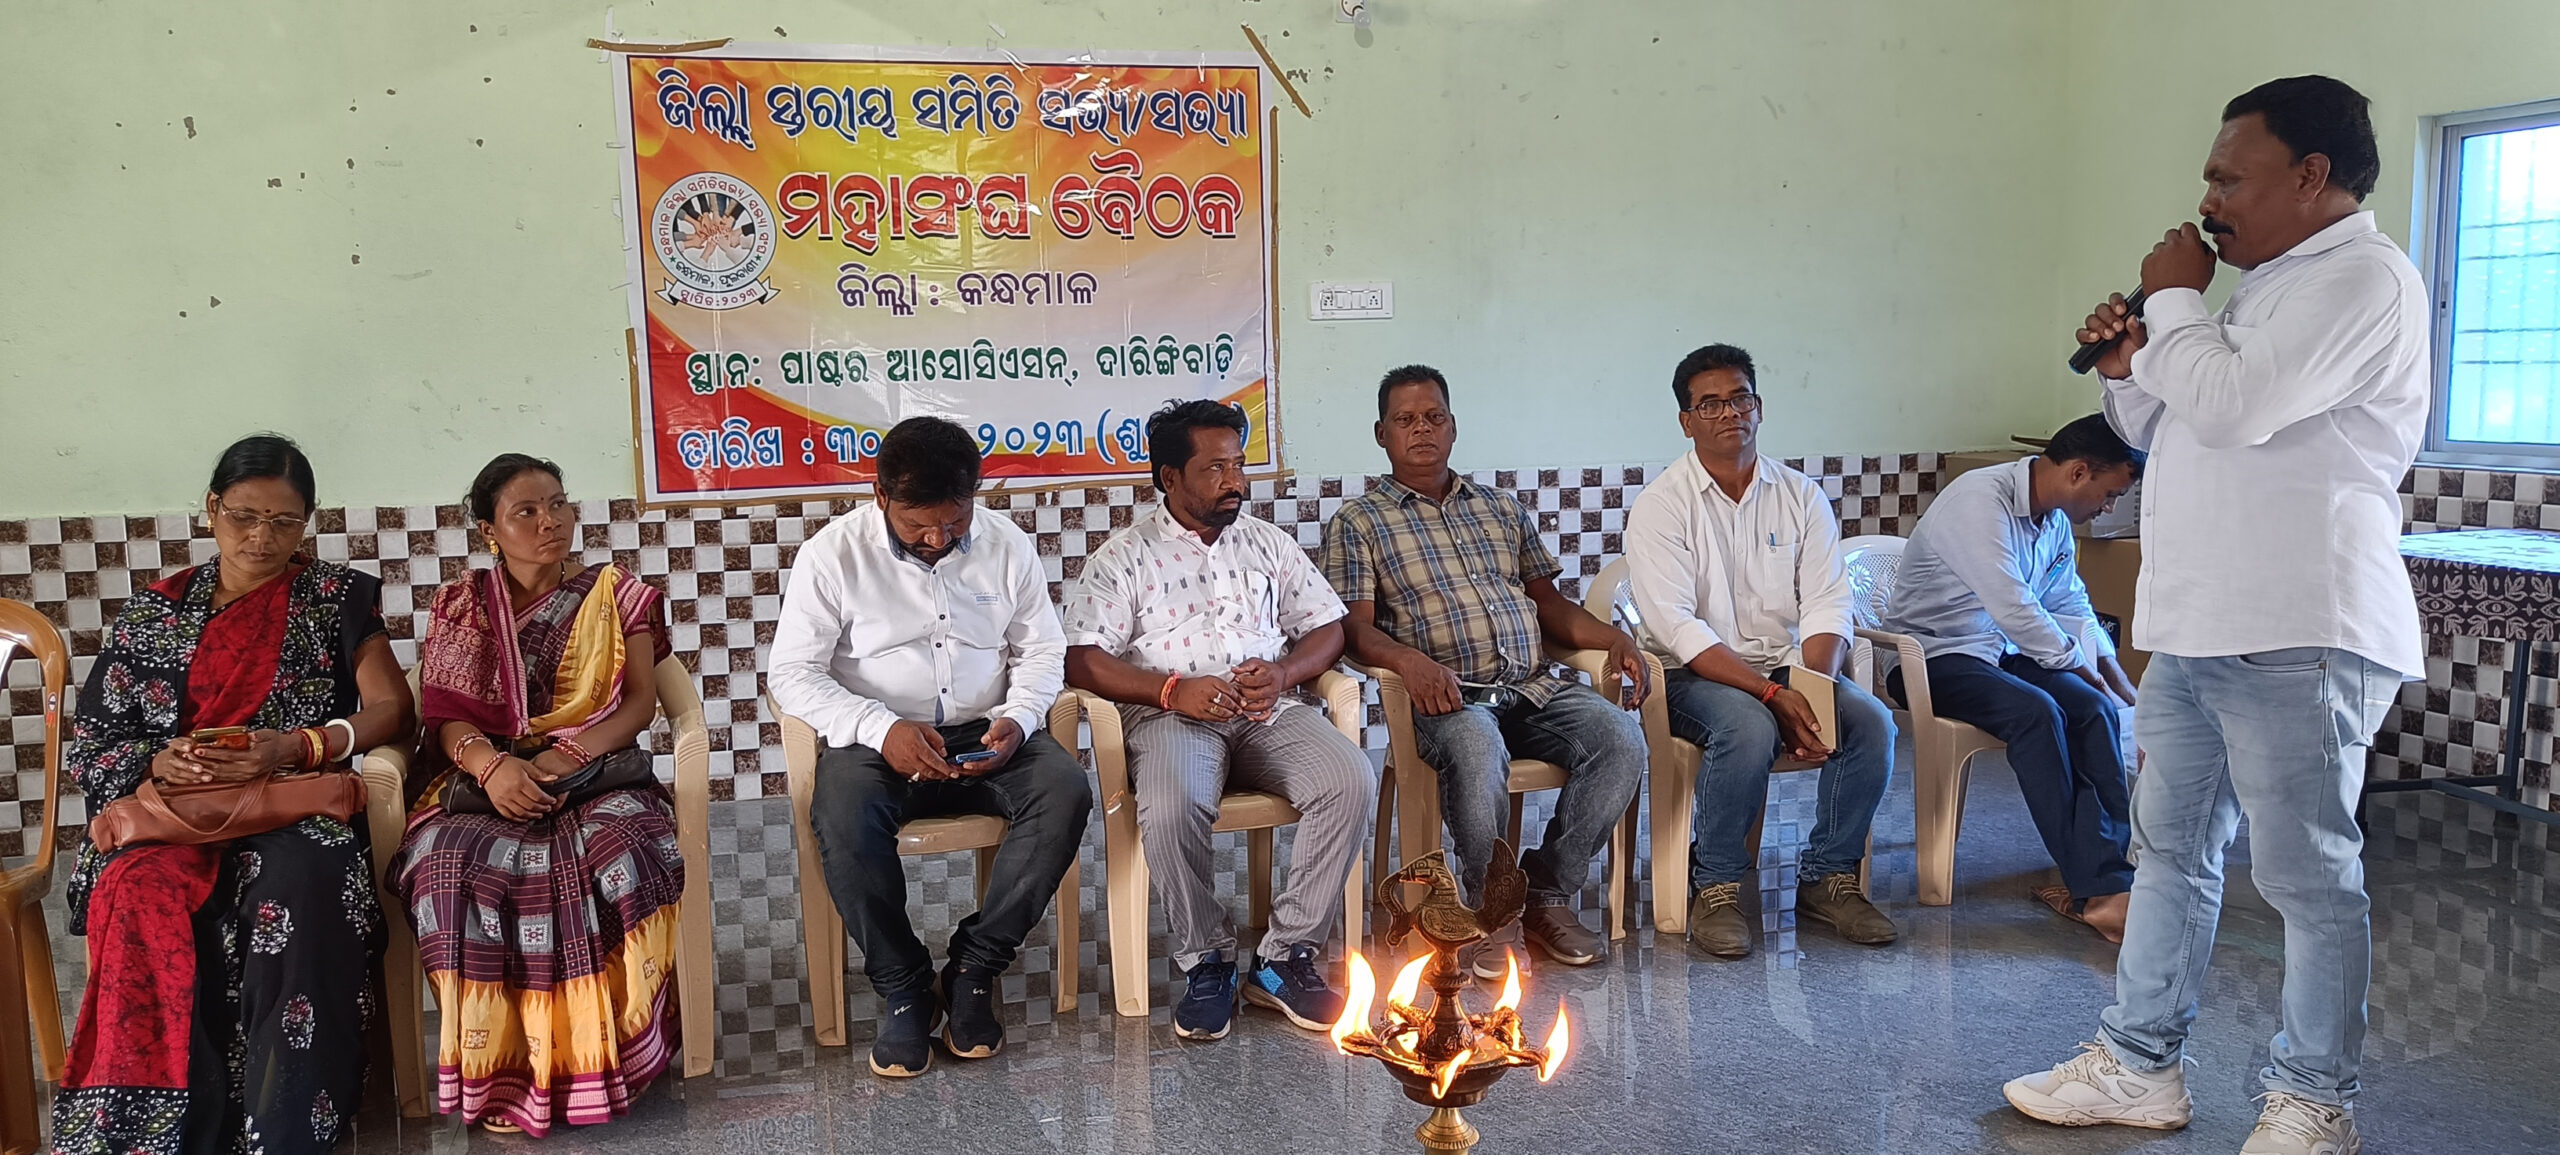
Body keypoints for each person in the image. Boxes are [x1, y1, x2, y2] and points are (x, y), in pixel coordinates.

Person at [2004, 76, 2426, 1155]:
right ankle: (2139, 1064)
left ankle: (2313, 1102)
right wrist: (2126, 366)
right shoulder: (2266, 286)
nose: (2209, 201)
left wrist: (2169, 302)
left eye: (2228, 178)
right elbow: (2178, 423)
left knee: (2306, 878)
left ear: (2311, 175)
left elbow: (2235, 405)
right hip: (2198, 629)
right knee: (2170, 855)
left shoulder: (2364, 279)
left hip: (2299, 627)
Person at [53, 434, 412, 1155]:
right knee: (136, 887)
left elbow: (391, 710)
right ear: (212, 508)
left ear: (307, 522)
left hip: (288, 805)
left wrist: (297, 745)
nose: (261, 536)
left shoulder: (336, 596)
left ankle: (286, 1125)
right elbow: (93, 743)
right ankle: (155, 1131)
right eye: (245, 515)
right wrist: (160, 760)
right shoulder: (154, 613)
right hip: (174, 817)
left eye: (284, 521)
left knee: (304, 878)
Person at [768, 416, 1092, 1078]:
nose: (938, 539)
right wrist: (878, 727)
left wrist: (1021, 716)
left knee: (1065, 790)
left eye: (955, 521)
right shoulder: (833, 555)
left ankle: (975, 966)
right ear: (881, 495)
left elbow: (1042, 650)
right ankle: (904, 983)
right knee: (843, 815)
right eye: (919, 525)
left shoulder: (1006, 545)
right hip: (875, 734)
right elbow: (792, 674)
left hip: (986, 729)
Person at [387, 454, 685, 1135]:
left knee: (622, 850)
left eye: (557, 504)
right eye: (526, 511)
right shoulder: (461, 604)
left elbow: (639, 704)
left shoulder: (617, 596)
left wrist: (567, 754)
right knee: (446, 865)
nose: (549, 521)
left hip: (592, 773)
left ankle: (609, 1055)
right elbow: (445, 716)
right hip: (484, 779)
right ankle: (501, 1067)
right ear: (490, 530)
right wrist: (494, 768)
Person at [1063, 400, 1375, 1040]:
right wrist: (1170, 690)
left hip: (1267, 710)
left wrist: (1284, 673)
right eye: (1215, 469)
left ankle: (1285, 957)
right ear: (1169, 477)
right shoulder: (1124, 556)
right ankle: (1208, 958)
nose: (1234, 481)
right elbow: (1083, 659)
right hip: (1172, 717)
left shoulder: (1267, 543)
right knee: (1173, 805)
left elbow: (1328, 628)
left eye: (1238, 465)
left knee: (1349, 779)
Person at [1324, 365, 1647, 978]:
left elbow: (1548, 606)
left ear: (1453, 427)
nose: (1422, 429)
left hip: (1532, 688)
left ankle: (1544, 893)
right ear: (1381, 434)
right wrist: (1407, 660)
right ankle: (1490, 911)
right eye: (1405, 420)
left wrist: (1614, 638)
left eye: (1434, 417)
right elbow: (1353, 629)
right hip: (1448, 700)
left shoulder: (1500, 508)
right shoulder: (1359, 522)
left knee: (1621, 738)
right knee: (1477, 745)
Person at [1623, 344, 1901, 959]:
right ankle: (1716, 885)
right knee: (1748, 727)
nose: (1730, 413)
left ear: (1759, 407)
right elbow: (1678, 627)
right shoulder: (1661, 506)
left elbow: (1827, 603)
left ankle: (1828, 876)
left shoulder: (1800, 495)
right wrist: (1772, 694)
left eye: (1740, 398)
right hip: (1688, 675)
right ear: (1686, 421)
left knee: (1873, 724)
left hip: (1786, 666)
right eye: (1710, 404)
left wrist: (1813, 690)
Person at [1884, 415, 2144, 942]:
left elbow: (2070, 601)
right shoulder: (1979, 501)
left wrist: (2117, 680)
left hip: (1999, 651)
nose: (2108, 509)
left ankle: (2114, 878)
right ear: (2078, 472)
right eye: (2109, 495)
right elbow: (2016, 607)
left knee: (2093, 710)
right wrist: (2082, 670)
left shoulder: (2053, 521)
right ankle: (2097, 891)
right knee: (2037, 713)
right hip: (1931, 655)